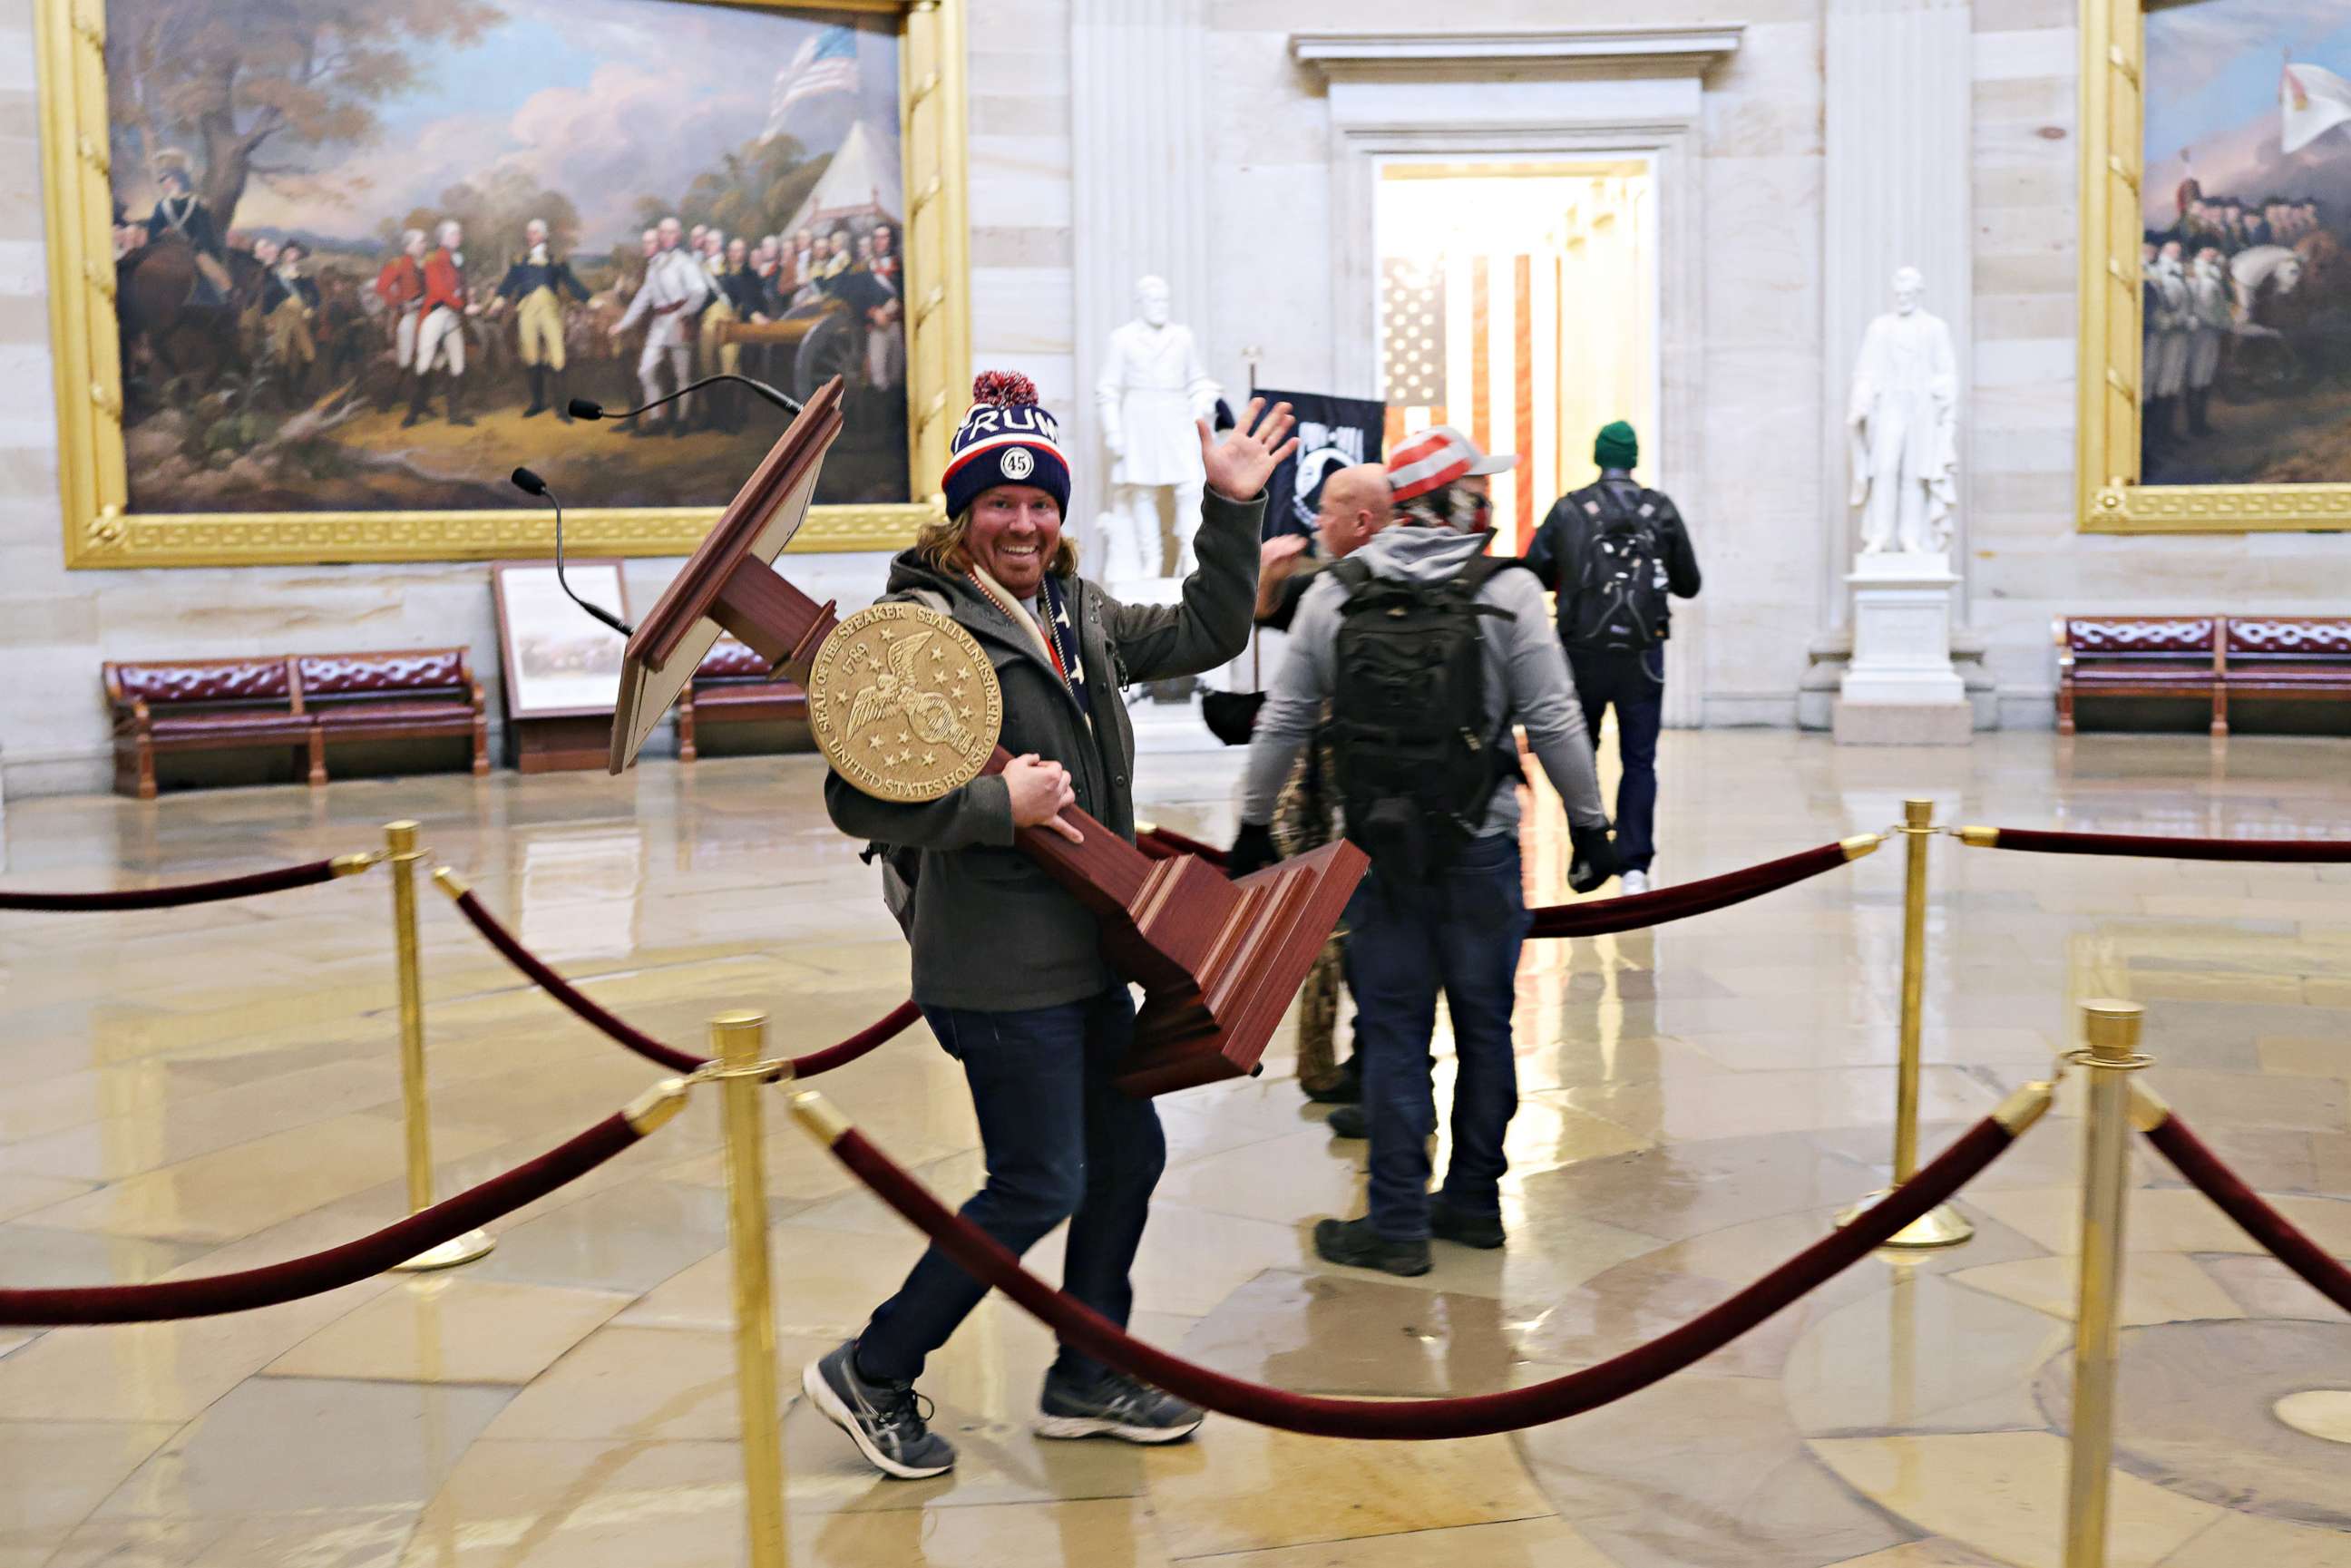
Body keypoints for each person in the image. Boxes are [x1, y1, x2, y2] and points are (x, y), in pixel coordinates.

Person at [803, 370, 1298, 1480]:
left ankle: (1088, 1372)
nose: (1022, 522)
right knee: (1038, 1179)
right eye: (999, 504)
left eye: (1040, 503)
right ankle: (874, 1369)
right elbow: (852, 797)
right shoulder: (917, 627)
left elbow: (1212, 628)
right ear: (961, 514)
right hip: (994, 962)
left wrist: (1231, 508)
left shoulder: (1077, 611)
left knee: (1126, 1152)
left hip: (1086, 950)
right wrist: (993, 806)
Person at [1228, 425, 1614, 1277]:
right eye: (1482, 483)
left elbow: (1285, 718)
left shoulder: (1339, 592)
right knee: (1486, 1026)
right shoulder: (1507, 591)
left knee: (1396, 1028)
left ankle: (1397, 1219)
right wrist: (1590, 825)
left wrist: (1252, 823)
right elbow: (1553, 717)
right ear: (1460, 499)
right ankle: (1474, 1201)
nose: (1491, 495)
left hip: (1379, 849)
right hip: (1478, 843)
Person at [1247, 463, 1393, 1115]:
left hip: (1354, 801)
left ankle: (1357, 1068)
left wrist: (1252, 817)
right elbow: (1264, 615)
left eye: (1329, 511)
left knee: (1355, 936)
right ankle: (1340, 1063)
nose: (1317, 522)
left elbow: (1288, 708)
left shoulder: (1356, 588)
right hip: (1342, 797)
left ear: (1362, 520)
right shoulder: (1327, 586)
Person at [1522, 421, 1701, 896]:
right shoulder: (1659, 509)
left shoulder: (1568, 509)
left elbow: (1532, 571)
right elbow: (1689, 583)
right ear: (1634, 458)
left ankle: (1587, 850)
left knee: (1578, 753)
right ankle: (1635, 866)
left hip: (1582, 652)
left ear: (1598, 456)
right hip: (1642, 655)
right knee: (1639, 759)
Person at [610, 215, 711, 437]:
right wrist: (623, 325)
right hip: (659, 324)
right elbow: (642, 299)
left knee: (682, 375)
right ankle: (656, 419)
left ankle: (682, 420)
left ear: (678, 235)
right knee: (646, 370)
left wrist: (684, 314)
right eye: (663, 232)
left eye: (670, 232)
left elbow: (700, 292)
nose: (666, 236)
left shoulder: (685, 262)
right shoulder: (654, 266)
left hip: (679, 322)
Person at [490, 218, 590, 420]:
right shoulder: (520, 261)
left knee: (558, 355)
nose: (530, 236)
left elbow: (570, 282)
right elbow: (509, 283)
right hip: (527, 310)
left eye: (535, 232)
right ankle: (537, 403)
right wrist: (499, 300)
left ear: (544, 236)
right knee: (531, 354)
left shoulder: (556, 261)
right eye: (529, 232)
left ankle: (562, 408)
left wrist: (590, 299)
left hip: (550, 309)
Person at [407, 220, 480, 428]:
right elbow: (439, 291)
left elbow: (461, 288)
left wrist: (469, 299)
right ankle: (413, 412)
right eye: (454, 234)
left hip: (453, 316)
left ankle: (455, 415)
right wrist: (463, 307)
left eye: (459, 234)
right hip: (436, 314)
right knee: (424, 362)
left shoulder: (457, 260)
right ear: (443, 238)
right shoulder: (433, 260)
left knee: (458, 363)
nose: (459, 237)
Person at [259, 239, 320, 395]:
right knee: (281, 353)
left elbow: (315, 296)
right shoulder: (273, 274)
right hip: (280, 316)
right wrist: (267, 319)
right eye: (288, 252)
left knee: (310, 355)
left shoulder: (304, 275)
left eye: (294, 252)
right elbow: (266, 298)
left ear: (299, 255)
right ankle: (285, 392)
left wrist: (311, 308)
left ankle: (298, 388)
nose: (290, 255)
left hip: (299, 317)